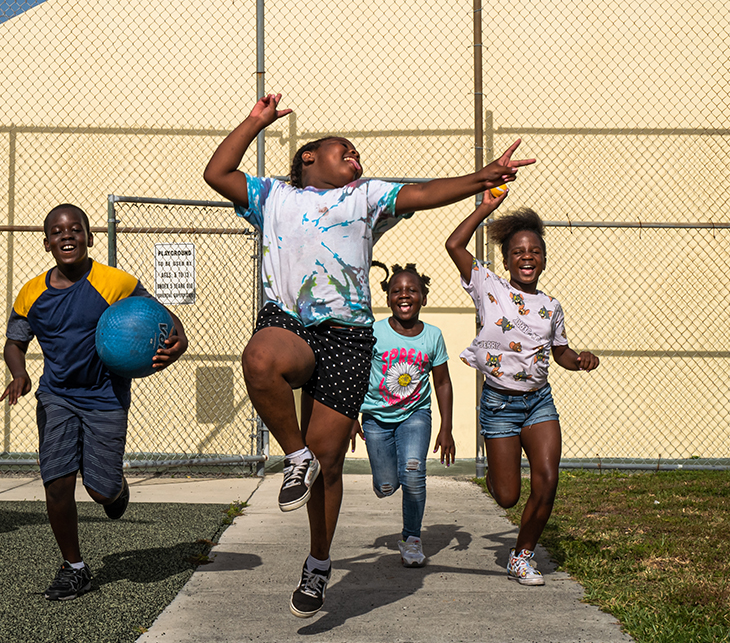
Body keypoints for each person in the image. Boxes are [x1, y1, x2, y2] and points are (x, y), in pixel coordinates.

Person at [203, 93, 534, 617]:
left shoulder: (366, 197)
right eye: (344, 150)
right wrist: (254, 122)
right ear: (309, 158)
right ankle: (295, 456)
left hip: (347, 338)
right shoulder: (272, 197)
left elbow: (426, 192)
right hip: (288, 323)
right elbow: (217, 172)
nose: (355, 156)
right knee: (261, 359)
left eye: (357, 152)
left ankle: (317, 563)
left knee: (331, 464)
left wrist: (482, 176)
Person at [0, 203, 188, 601]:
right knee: (57, 481)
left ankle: (116, 488)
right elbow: (14, 343)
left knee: (100, 492)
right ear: (47, 241)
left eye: (75, 228)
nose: (66, 235)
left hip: (105, 397)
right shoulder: (31, 293)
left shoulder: (116, 282)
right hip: (57, 396)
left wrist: (179, 340)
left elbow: (163, 316)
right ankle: (75, 567)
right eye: (57, 230)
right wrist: (19, 373)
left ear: (90, 236)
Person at [445, 191, 600, 586]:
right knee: (508, 496)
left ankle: (522, 555)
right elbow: (453, 244)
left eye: (534, 251)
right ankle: (498, 468)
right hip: (499, 405)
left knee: (548, 480)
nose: (527, 257)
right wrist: (486, 208)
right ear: (506, 259)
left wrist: (580, 359)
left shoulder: (551, 306)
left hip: (538, 403)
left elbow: (560, 352)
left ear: (543, 258)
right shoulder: (489, 287)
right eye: (518, 252)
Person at [350, 261, 454, 569]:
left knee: (413, 472)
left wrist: (446, 428)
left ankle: (412, 539)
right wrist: (349, 417)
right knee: (386, 487)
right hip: (376, 419)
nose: (404, 295)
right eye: (397, 290)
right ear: (387, 297)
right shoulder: (373, 332)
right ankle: (384, 480)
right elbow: (356, 375)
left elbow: (443, 382)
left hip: (415, 415)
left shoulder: (433, 336)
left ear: (423, 297)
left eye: (412, 290)